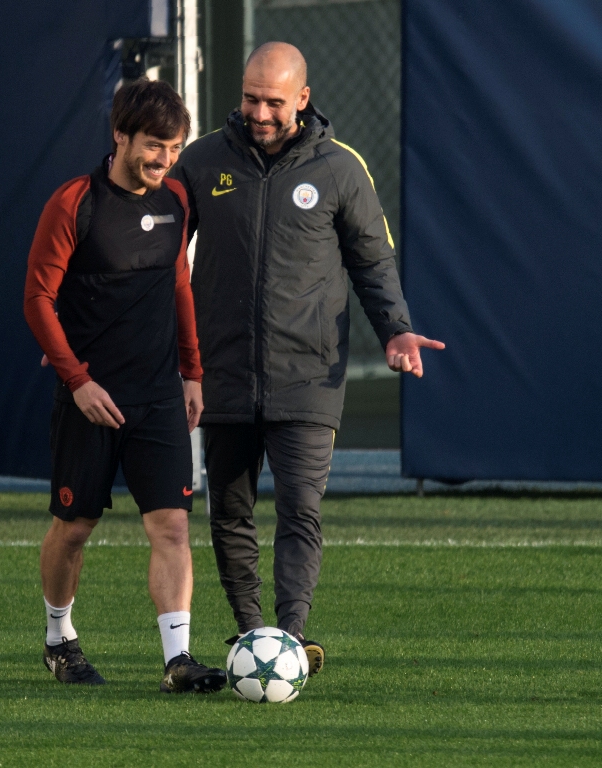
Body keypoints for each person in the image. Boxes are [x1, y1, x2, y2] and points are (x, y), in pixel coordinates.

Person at [171, 42, 444, 673]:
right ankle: (249, 635)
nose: (259, 112)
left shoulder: (341, 168)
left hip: (309, 373)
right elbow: (158, 250)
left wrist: (397, 330)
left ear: (303, 97)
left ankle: (290, 639)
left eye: (272, 100)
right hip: (225, 372)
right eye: (249, 97)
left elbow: (373, 260)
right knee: (231, 512)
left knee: (301, 508)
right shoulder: (202, 160)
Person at [23, 79, 226, 694]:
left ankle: (178, 660)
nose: (164, 158)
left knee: (171, 526)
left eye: (175, 147)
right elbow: (37, 300)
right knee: (75, 528)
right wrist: (77, 380)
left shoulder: (177, 203)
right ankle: (60, 638)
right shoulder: (74, 203)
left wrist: (192, 371)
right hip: (91, 400)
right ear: (120, 135)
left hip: (160, 394)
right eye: (154, 145)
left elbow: (178, 284)